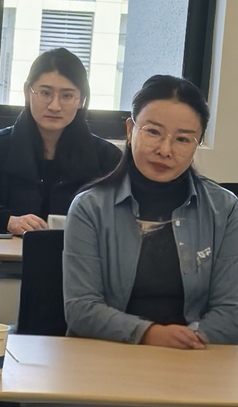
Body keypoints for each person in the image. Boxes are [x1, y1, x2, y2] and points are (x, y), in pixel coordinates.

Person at [0, 48, 122, 330]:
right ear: (28, 92)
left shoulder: (106, 158)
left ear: (81, 99)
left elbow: (123, 218)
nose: (55, 105)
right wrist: (7, 220)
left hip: (78, 280)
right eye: (45, 92)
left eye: (67, 95)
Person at [64, 75, 238, 347]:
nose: (165, 150)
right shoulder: (90, 207)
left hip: (195, 356)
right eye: (153, 132)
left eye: (183, 139)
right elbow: (81, 309)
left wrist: (187, 343)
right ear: (130, 130)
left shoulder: (226, 210)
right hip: (106, 355)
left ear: (197, 144)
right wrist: (150, 334)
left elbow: (231, 310)